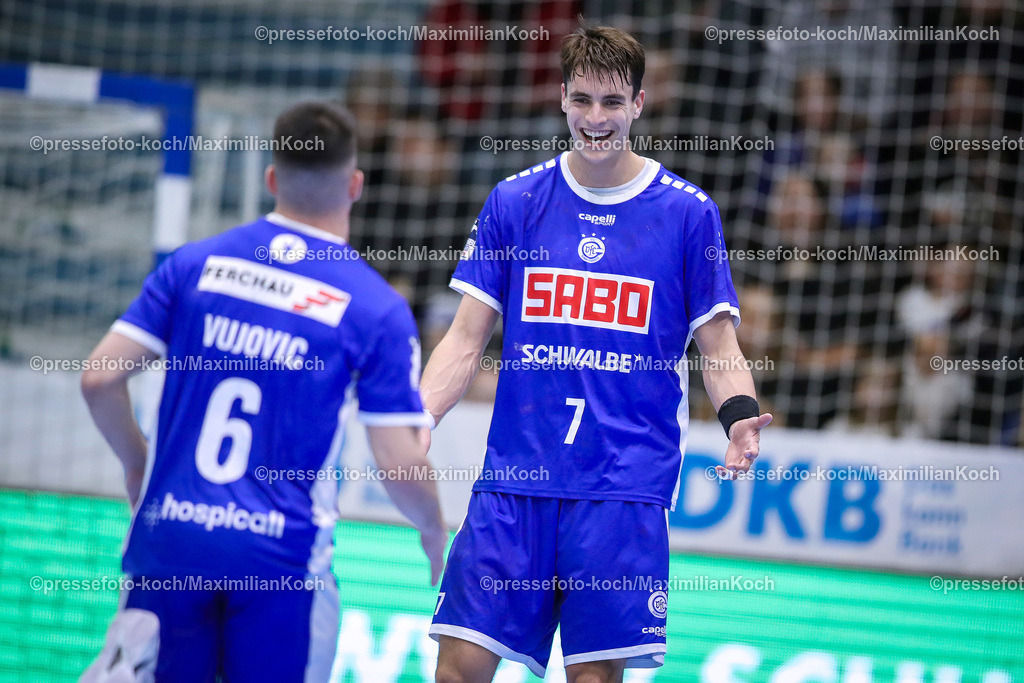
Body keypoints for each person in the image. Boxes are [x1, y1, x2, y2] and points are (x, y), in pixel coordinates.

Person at [420, 25, 771, 683]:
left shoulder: (688, 214)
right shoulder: (515, 200)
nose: (595, 119)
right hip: (514, 483)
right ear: (560, 98)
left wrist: (740, 416)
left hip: (621, 490)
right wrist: (417, 418)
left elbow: (718, 345)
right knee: (457, 669)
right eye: (582, 101)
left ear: (639, 104)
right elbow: (466, 338)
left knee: (593, 678)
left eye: (612, 103)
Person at [78, 102, 447, 682]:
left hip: (172, 541)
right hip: (279, 561)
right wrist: (431, 529)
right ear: (355, 185)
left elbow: (99, 378)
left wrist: (137, 464)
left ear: (272, 178)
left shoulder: (193, 265)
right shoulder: (375, 309)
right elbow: (399, 461)